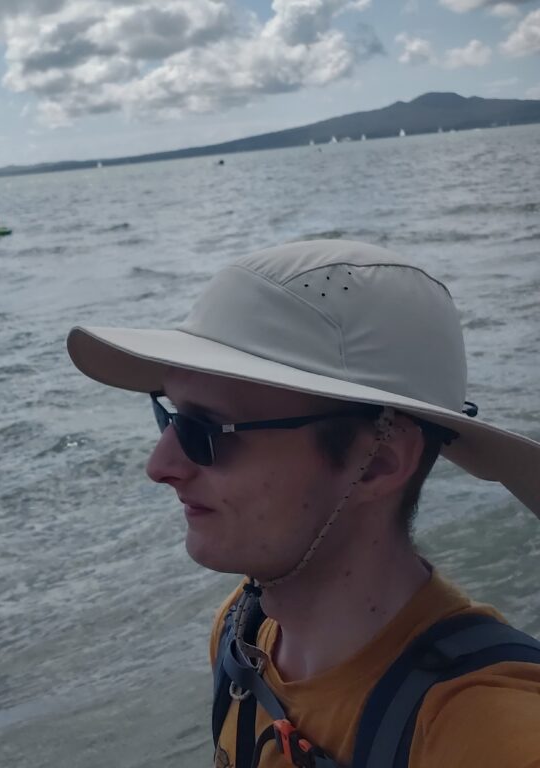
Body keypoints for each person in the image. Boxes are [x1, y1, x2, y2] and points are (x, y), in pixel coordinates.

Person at [66, 240, 540, 768]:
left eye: (205, 429)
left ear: (379, 462)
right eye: (170, 417)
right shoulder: (244, 630)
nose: (160, 465)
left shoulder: (487, 731)